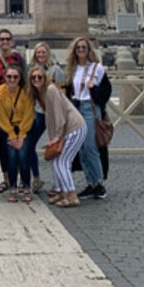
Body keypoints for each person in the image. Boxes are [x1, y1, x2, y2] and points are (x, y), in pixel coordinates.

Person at [28, 65, 86, 207]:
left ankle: (71, 195)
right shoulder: (40, 93)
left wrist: (57, 137)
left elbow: (59, 116)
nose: (36, 79)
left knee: (62, 162)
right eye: (33, 77)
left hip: (74, 128)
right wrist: (53, 138)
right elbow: (50, 118)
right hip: (65, 130)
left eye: (39, 77)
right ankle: (61, 192)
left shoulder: (51, 90)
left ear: (45, 78)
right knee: (56, 161)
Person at [64, 37, 108, 200]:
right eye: (78, 48)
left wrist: (93, 88)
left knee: (90, 147)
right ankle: (91, 184)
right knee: (81, 148)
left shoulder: (97, 68)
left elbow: (105, 91)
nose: (81, 50)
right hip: (76, 108)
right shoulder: (72, 69)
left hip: (89, 108)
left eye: (84, 47)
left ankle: (99, 183)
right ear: (74, 51)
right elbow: (68, 90)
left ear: (89, 50)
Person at [0, 28, 26, 193]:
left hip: (18, 107)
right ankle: (6, 179)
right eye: (1, 39)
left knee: (19, 143)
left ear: (11, 41)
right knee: (4, 145)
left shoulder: (18, 58)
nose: (4, 42)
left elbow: (25, 80)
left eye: (7, 39)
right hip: (1, 108)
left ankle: (17, 178)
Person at [28, 42, 65, 193]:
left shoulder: (56, 70)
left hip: (54, 114)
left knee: (57, 148)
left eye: (43, 52)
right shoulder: (32, 71)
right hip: (39, 113)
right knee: (29, 143)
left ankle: (60, 185)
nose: (41, 55)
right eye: (38, 53)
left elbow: (63, 93)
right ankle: (36, 178)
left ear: (48, 54)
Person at [0, 63, 35, 203]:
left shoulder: (26, 92)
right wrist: (11, 134)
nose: (12, 79)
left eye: (15, 77)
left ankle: (26, 186)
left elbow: (29, 114)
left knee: (23, 156)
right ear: (5, 77)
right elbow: (1, 116)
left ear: (19, 78)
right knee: (11, 157)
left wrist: (22, 134)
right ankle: (12, 187)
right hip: (8, 128)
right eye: (9, 76)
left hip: (23, 128)